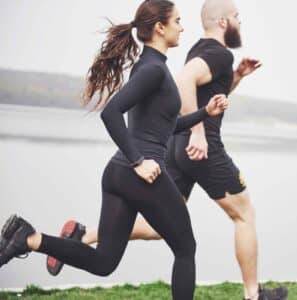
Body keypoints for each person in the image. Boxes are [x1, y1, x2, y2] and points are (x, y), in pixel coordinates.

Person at [44, 1, 289, 300]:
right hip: (200, 147)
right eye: (237, 16)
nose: (240, 21)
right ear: (223, 21)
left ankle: (85, 236)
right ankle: (253, 295)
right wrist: (197, 134)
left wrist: (234, 79)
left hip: (170, 147)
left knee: (163, 226)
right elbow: (184, 81)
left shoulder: (196, 51)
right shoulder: (218, 53)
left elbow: (184, 99)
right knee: (243, 215)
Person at [0, 1, 228, 299]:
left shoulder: (151, 67)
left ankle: (28, 237)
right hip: (140, 174)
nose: (182, 27)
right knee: (186, 249)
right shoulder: (153, 71)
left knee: (104, 262)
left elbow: (164, 127)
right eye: (178, 21)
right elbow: (111, 112)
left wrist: (204, 113)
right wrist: (139, 162)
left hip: (119, 175)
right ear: (160, 27)